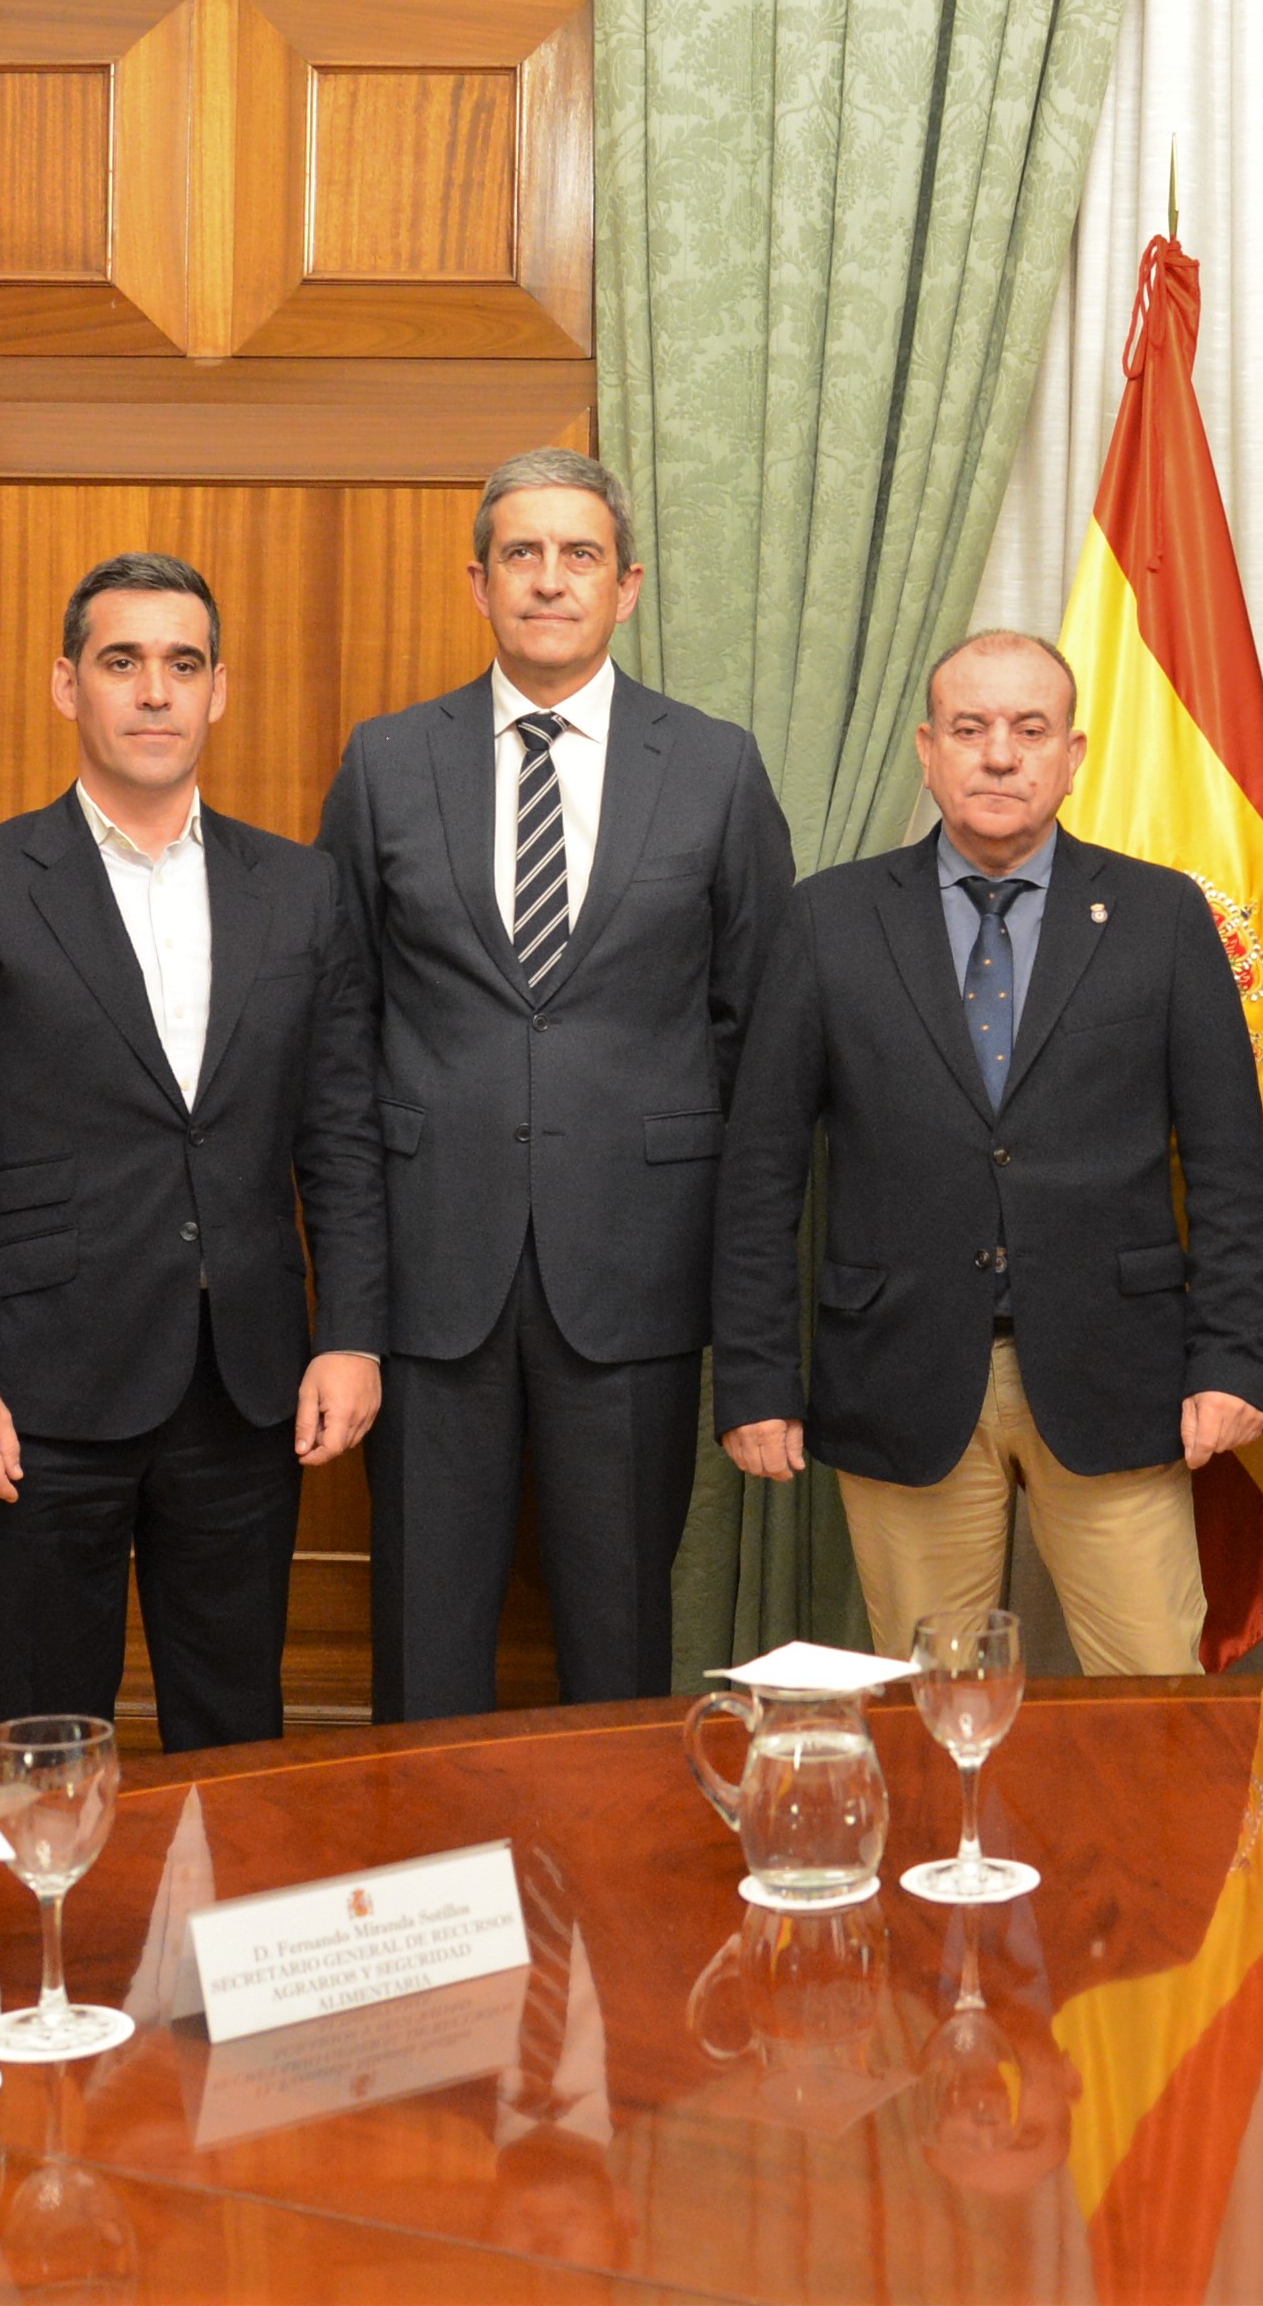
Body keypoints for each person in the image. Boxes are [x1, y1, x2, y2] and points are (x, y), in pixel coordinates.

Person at [0, 553, 383, 1752]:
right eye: (122, 662)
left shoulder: (302, 891)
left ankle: (222, 1897)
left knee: (237, 1736)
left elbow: (341, 1137)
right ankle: (58, 1896)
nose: (155, 691)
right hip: (36, 1393)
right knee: (48, 1738)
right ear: (69, 685)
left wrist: (351, 1333)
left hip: (245, 1385)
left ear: (217, 692)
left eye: (182, 664)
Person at [318, 447, 792, 1721]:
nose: (548, 579)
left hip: (635, 1277)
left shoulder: (713, 766)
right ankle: (426, 1852)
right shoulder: (385, 763)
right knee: (425, 1650)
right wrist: (346, 1308)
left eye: (579, 555)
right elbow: (337, 1037)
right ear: (477, 583)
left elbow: (759, 1037)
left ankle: (620, 1853)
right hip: (430, 1281)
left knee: (619, 1645)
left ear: (625, 586)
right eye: (520, 554)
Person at [710, 631, 1263, 1671]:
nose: (1001, 755)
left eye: (1030, 729)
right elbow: (759, 1175)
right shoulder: (828, 918)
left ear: (1073, 754)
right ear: (927, 751)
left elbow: (1231, 1169)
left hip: (1116, 1373)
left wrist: (1234, 1358)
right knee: (936, 1703)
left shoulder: (1161, 916)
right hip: (901, 1370)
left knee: (1154, 1705)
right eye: (970, 729)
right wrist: (754, 1380)